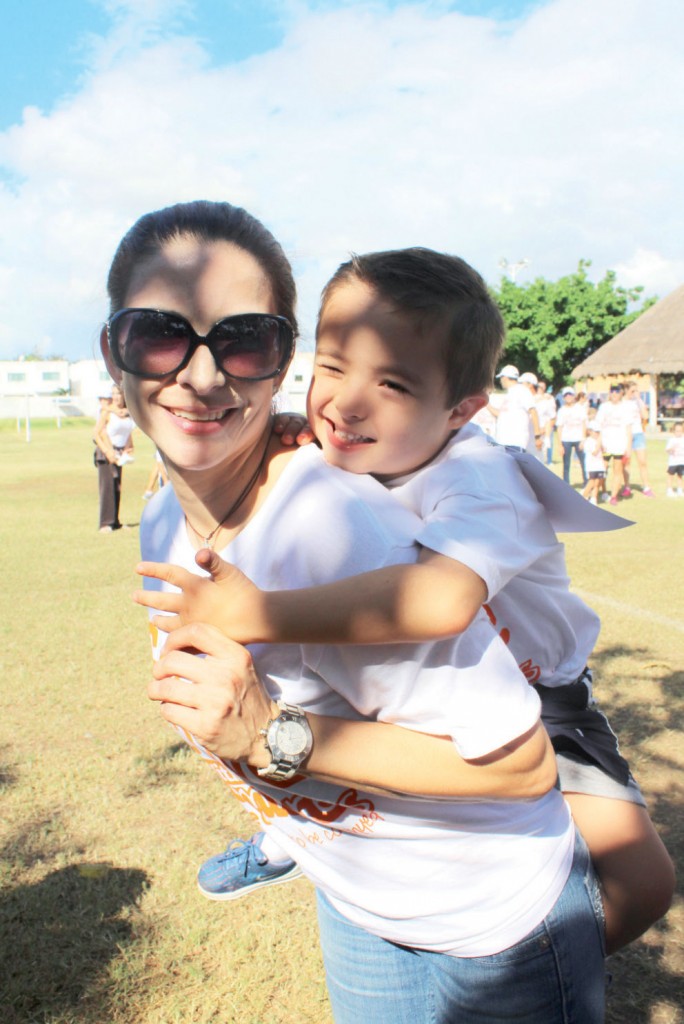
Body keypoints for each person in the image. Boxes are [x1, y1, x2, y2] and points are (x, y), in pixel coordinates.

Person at [104, 203, 607, 1023]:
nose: (200, 375)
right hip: (357, 901)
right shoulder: (163, 515)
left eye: (242, 339)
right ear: (113, 350)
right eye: (158, 333)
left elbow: (522, 768)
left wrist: (271, 738)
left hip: (492, 925)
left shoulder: (344, 534)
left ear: (277, 360)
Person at [92, 383, 135, 532]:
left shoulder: (128, 412)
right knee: (107, 486)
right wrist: (108, 452)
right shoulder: (107, 412)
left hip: (120, 453)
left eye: (118, 393)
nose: (116, 397)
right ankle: (105, 523)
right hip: (106, 453)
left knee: (117, 486)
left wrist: (129, 449)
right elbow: (96, 434)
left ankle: (115, 521)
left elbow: (129, 432)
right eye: (113, 394)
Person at [488, 364, 543, 453]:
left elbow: (533, 411)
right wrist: (487, 404)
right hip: (503, 439)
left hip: (516, 440)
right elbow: (500, 414)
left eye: (501, 378)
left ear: (504, 378)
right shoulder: (510, 393)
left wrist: (537, 436)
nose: (501, 381)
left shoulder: (522, 390)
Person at [595, 383, 632, 506]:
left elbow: (628, 429)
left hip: (619, 443)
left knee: (618, 470)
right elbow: (598, 427)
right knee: (602, 468)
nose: (614, 394)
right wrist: (598, 443)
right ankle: (602, 491)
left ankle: (614, 496)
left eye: (617, 391)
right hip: (605, 442)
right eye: (612, 391)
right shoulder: (604, 407)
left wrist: (628, 447)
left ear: (621, 393)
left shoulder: (625, 408)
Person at [623, 380, 655, 497]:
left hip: (638, 433)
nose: (634, 393)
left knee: (642, 462)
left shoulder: (637, 402)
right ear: (626, 390)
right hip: (626, 435)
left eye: (637, 390)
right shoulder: (622, 403)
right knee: (627, 463)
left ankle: (646, 486)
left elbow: (645, 416)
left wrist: (639, 400)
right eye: (632, 390)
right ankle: (627, 486)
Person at [555, 386, 588, 486]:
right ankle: (566, 484)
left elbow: (584, 424)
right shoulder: (561, 410)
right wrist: (560, 444)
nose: (568, 397)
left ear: (574, 396)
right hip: (566, 439)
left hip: (578, 438)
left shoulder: (580, 408)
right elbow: (559, 427)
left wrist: (583, 439)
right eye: (566, 395)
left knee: (584, 462)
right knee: (566, 464)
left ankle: (586, 482)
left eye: (570, 394)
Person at [581, 418, 606, 505]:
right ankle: (583, 497)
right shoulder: (589, 441)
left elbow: (604, 450)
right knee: (591, 482)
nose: (597, 434)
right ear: (590, 431)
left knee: (597, 483)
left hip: (599, 465)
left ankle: (594, 498)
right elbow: (594, 452)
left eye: (598, 432)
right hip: (592, 465)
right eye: (596, 432)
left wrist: (601, 443)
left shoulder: (598, 441)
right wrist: (599, 442)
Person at [536, 381, 557, 465]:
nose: (540, 388)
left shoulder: (550, 398)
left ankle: (549, 460)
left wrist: (546, 429)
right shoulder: (531, 397)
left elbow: (552, 416)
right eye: (538, 386)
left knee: (543, 451)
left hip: (545, 428)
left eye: (542, 387)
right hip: (533, 430)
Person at [665, 421, 684, 496]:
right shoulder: (672, 440)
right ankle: (669, 489)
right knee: (670, 476)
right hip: (673, 462)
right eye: (677, 431)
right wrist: (671, 449)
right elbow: (667, 449)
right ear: (674, 431)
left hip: (681, 461)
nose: (678, 433)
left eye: (680, 431)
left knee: (680, 476)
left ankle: (679, 489)